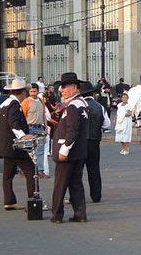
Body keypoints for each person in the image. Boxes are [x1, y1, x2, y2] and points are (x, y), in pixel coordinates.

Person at [0, 78, 35, 211]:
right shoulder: (14, 105)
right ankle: (33, 201)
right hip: (15, 145)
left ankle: (9, 200)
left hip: (4, 145)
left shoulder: (4, 103)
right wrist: (23, 136)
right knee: (30, 170)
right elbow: (14, 123)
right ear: (22, 93)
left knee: (8, 174)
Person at [51, 73, 89, 224]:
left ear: (74, 88)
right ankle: (80, 214)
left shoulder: (73, 106)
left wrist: (64, 149)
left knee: (60, 184)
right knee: (76, 183)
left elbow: (72, 130)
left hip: (68, 151)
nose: (62, 90)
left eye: (65, 87)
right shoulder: (81, 103)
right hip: (79, 151)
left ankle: (57, 215)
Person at [81, 81, 110, 203]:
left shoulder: (78, 106)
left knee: (77, 171)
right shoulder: (99, 107)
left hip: (80, 143)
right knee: (94, 170)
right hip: (94, 142)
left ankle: (77, 196)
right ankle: (96, 195)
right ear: (92, 94)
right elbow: (107, 125)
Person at [21, 83, 49, 178]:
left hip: (39, 127)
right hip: (30, 127)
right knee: (29, 150)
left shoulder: (41, 101)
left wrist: (45, 126)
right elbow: (23, 117)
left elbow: (44, 114)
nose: (33, 93)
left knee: (40, 150)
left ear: (38, 91)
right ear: (29, 92)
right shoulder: (26, 102)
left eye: (35, 91)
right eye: (31, 91)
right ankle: (28, 170)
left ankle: (40, 170)